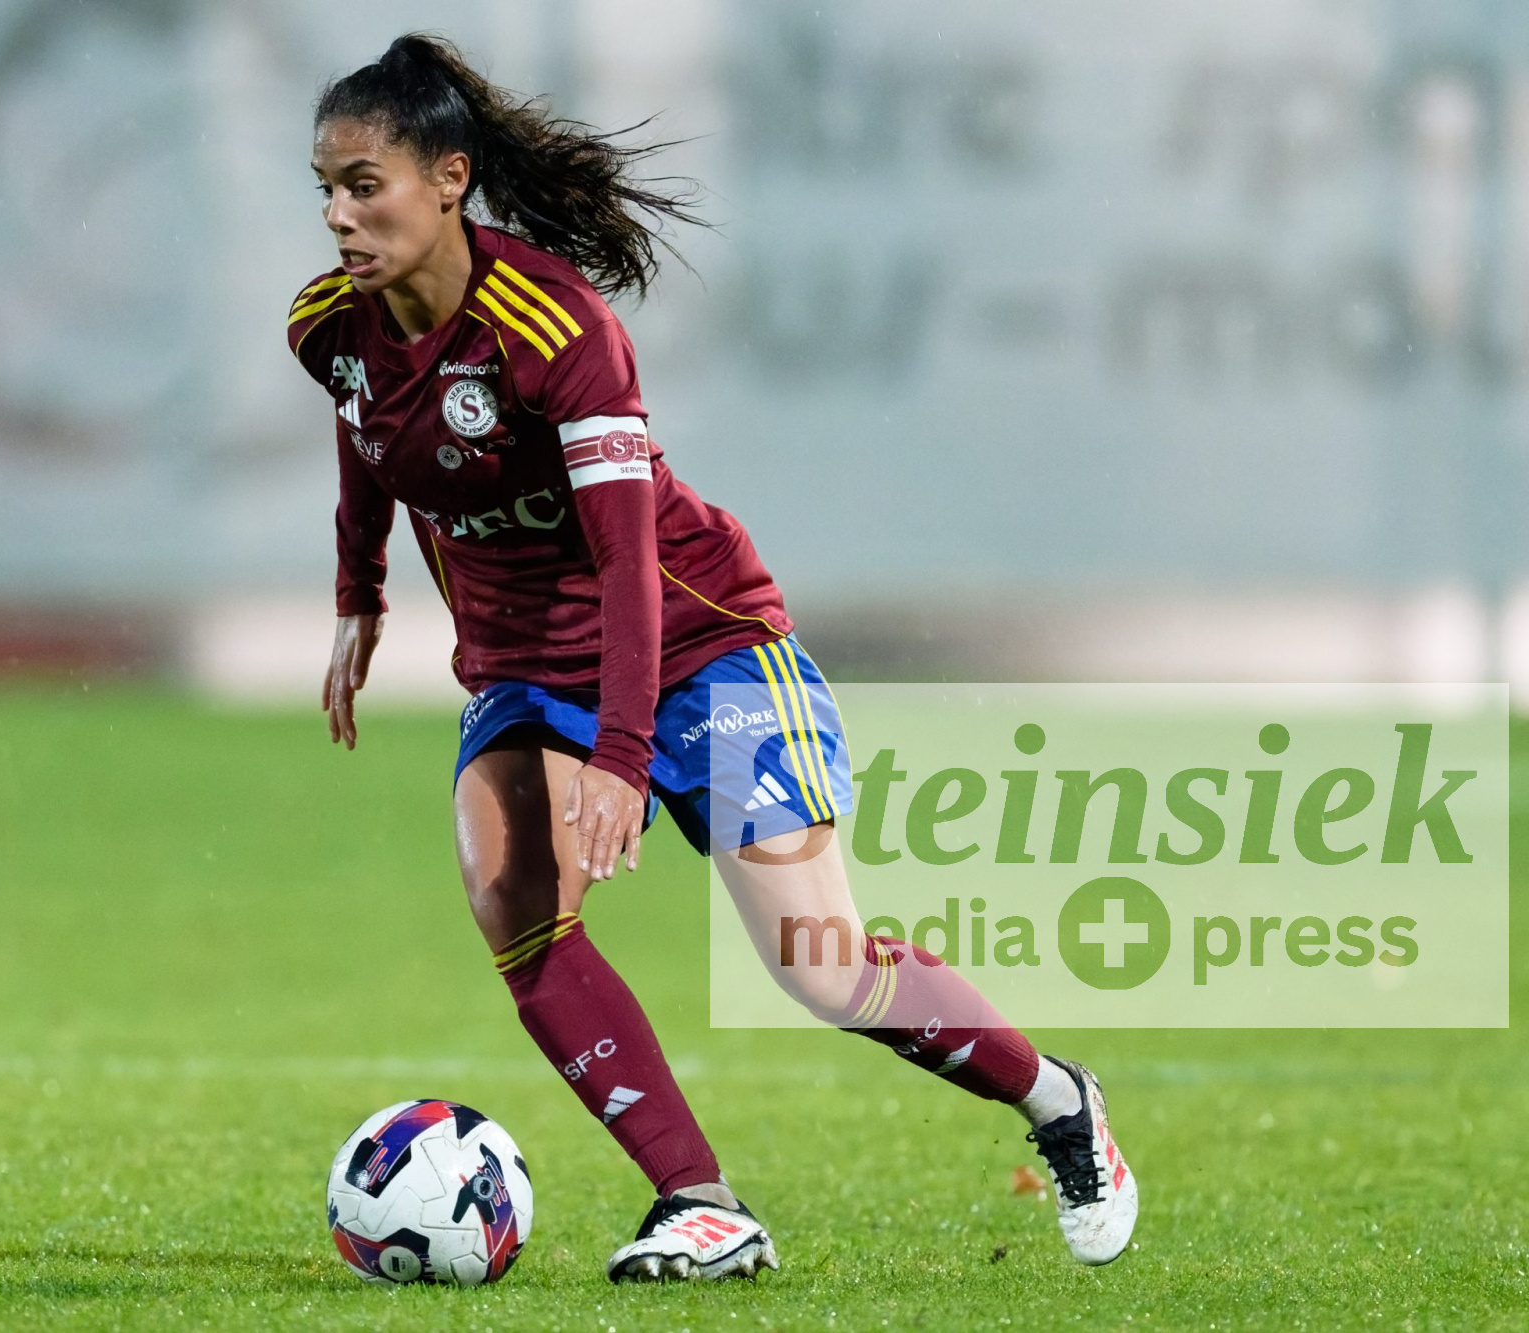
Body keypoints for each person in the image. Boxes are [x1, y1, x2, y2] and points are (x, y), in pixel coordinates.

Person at [290, 33, 1138, 1282]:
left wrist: (623, 756)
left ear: (450, 178)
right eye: (324, 187)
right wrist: (357, 591)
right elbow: (369, 432)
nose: (337, 215)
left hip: (700, 646)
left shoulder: (555, 328)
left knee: (820, 967)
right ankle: (698, 1201)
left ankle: (1059, 1101)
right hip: (525, 673)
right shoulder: (327, 326)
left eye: (364, 185)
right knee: (510, 896)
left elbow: (627, 561)